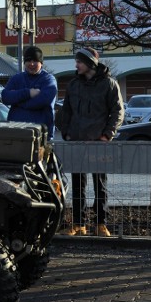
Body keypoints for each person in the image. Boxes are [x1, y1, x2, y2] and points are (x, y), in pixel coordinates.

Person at [58, 47, 124, 237]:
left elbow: (118, 112)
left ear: (90, 63)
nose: (76, 65)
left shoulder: (109, 84)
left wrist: (106, 136)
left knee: (100, 184)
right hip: (77, 141)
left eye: (79, 61)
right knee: (78, 183)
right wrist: (67, 134)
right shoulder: (73, 85)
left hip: (98, 143)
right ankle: (79, 224)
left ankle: (101, 223)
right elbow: (66, 111)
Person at [1, 45, 58, 138]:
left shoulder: (48, 79)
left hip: (40, 135)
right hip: (16, 133)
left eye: (35, 61)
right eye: (28, 60)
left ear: (41, 63)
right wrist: (28, 93)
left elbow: (44, 100)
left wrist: (17, 101)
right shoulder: (16, 78)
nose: (31, 64)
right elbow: (5, 97)